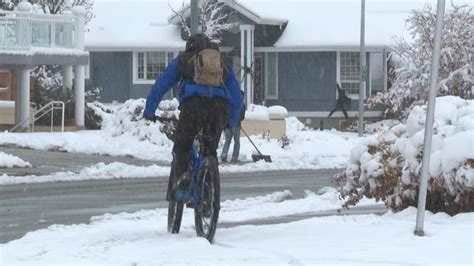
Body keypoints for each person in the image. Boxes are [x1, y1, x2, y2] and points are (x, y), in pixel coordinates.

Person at [143, 33, 243, 201]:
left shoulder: (184, 60)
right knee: (210, 151)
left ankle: (183, 179)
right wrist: (230, 121)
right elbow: (237, 95)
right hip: (218, 107)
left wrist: (149, 110)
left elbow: (161, 84)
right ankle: (209, 197)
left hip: (193, 106)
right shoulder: (220, 63)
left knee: (182, 146)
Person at [220, 90, 246, 163]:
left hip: (227, 125)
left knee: (227, 141)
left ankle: (224, 155)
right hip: (236, 125)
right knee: (236, 142)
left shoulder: (230, 103)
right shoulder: (241, 105)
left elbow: (225, 113)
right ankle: (234, 157)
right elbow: (242, 116)